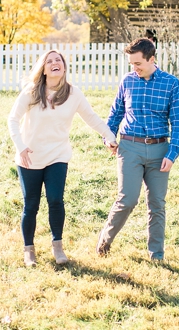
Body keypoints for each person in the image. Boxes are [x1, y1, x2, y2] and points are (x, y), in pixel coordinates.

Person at [7, 50, 117, 266]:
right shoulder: (32, 92)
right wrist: (20, 146)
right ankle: (29, 250)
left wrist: (109, 135)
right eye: (49, 61)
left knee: (56, 200)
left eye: (58, 60)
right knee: (31, 205)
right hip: (30, 156)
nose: (54, 63)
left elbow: (91, 117)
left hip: (58, 155)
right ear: (44, 69)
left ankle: (58, 247)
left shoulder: (73, 93)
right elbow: (13, 119)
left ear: (64, 67)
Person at [96, 38, 179, 262]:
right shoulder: (127, 81)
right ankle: (104, 242)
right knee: (127, 199)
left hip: (159, 151)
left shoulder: (171, 84)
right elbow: (115, 113)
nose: (134, 68)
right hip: (130, 148)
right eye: (131, 64)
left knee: (157, 203)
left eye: (138, 64)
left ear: (152, 59)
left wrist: (172, 154)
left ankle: (156, 254)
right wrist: (108, 137)